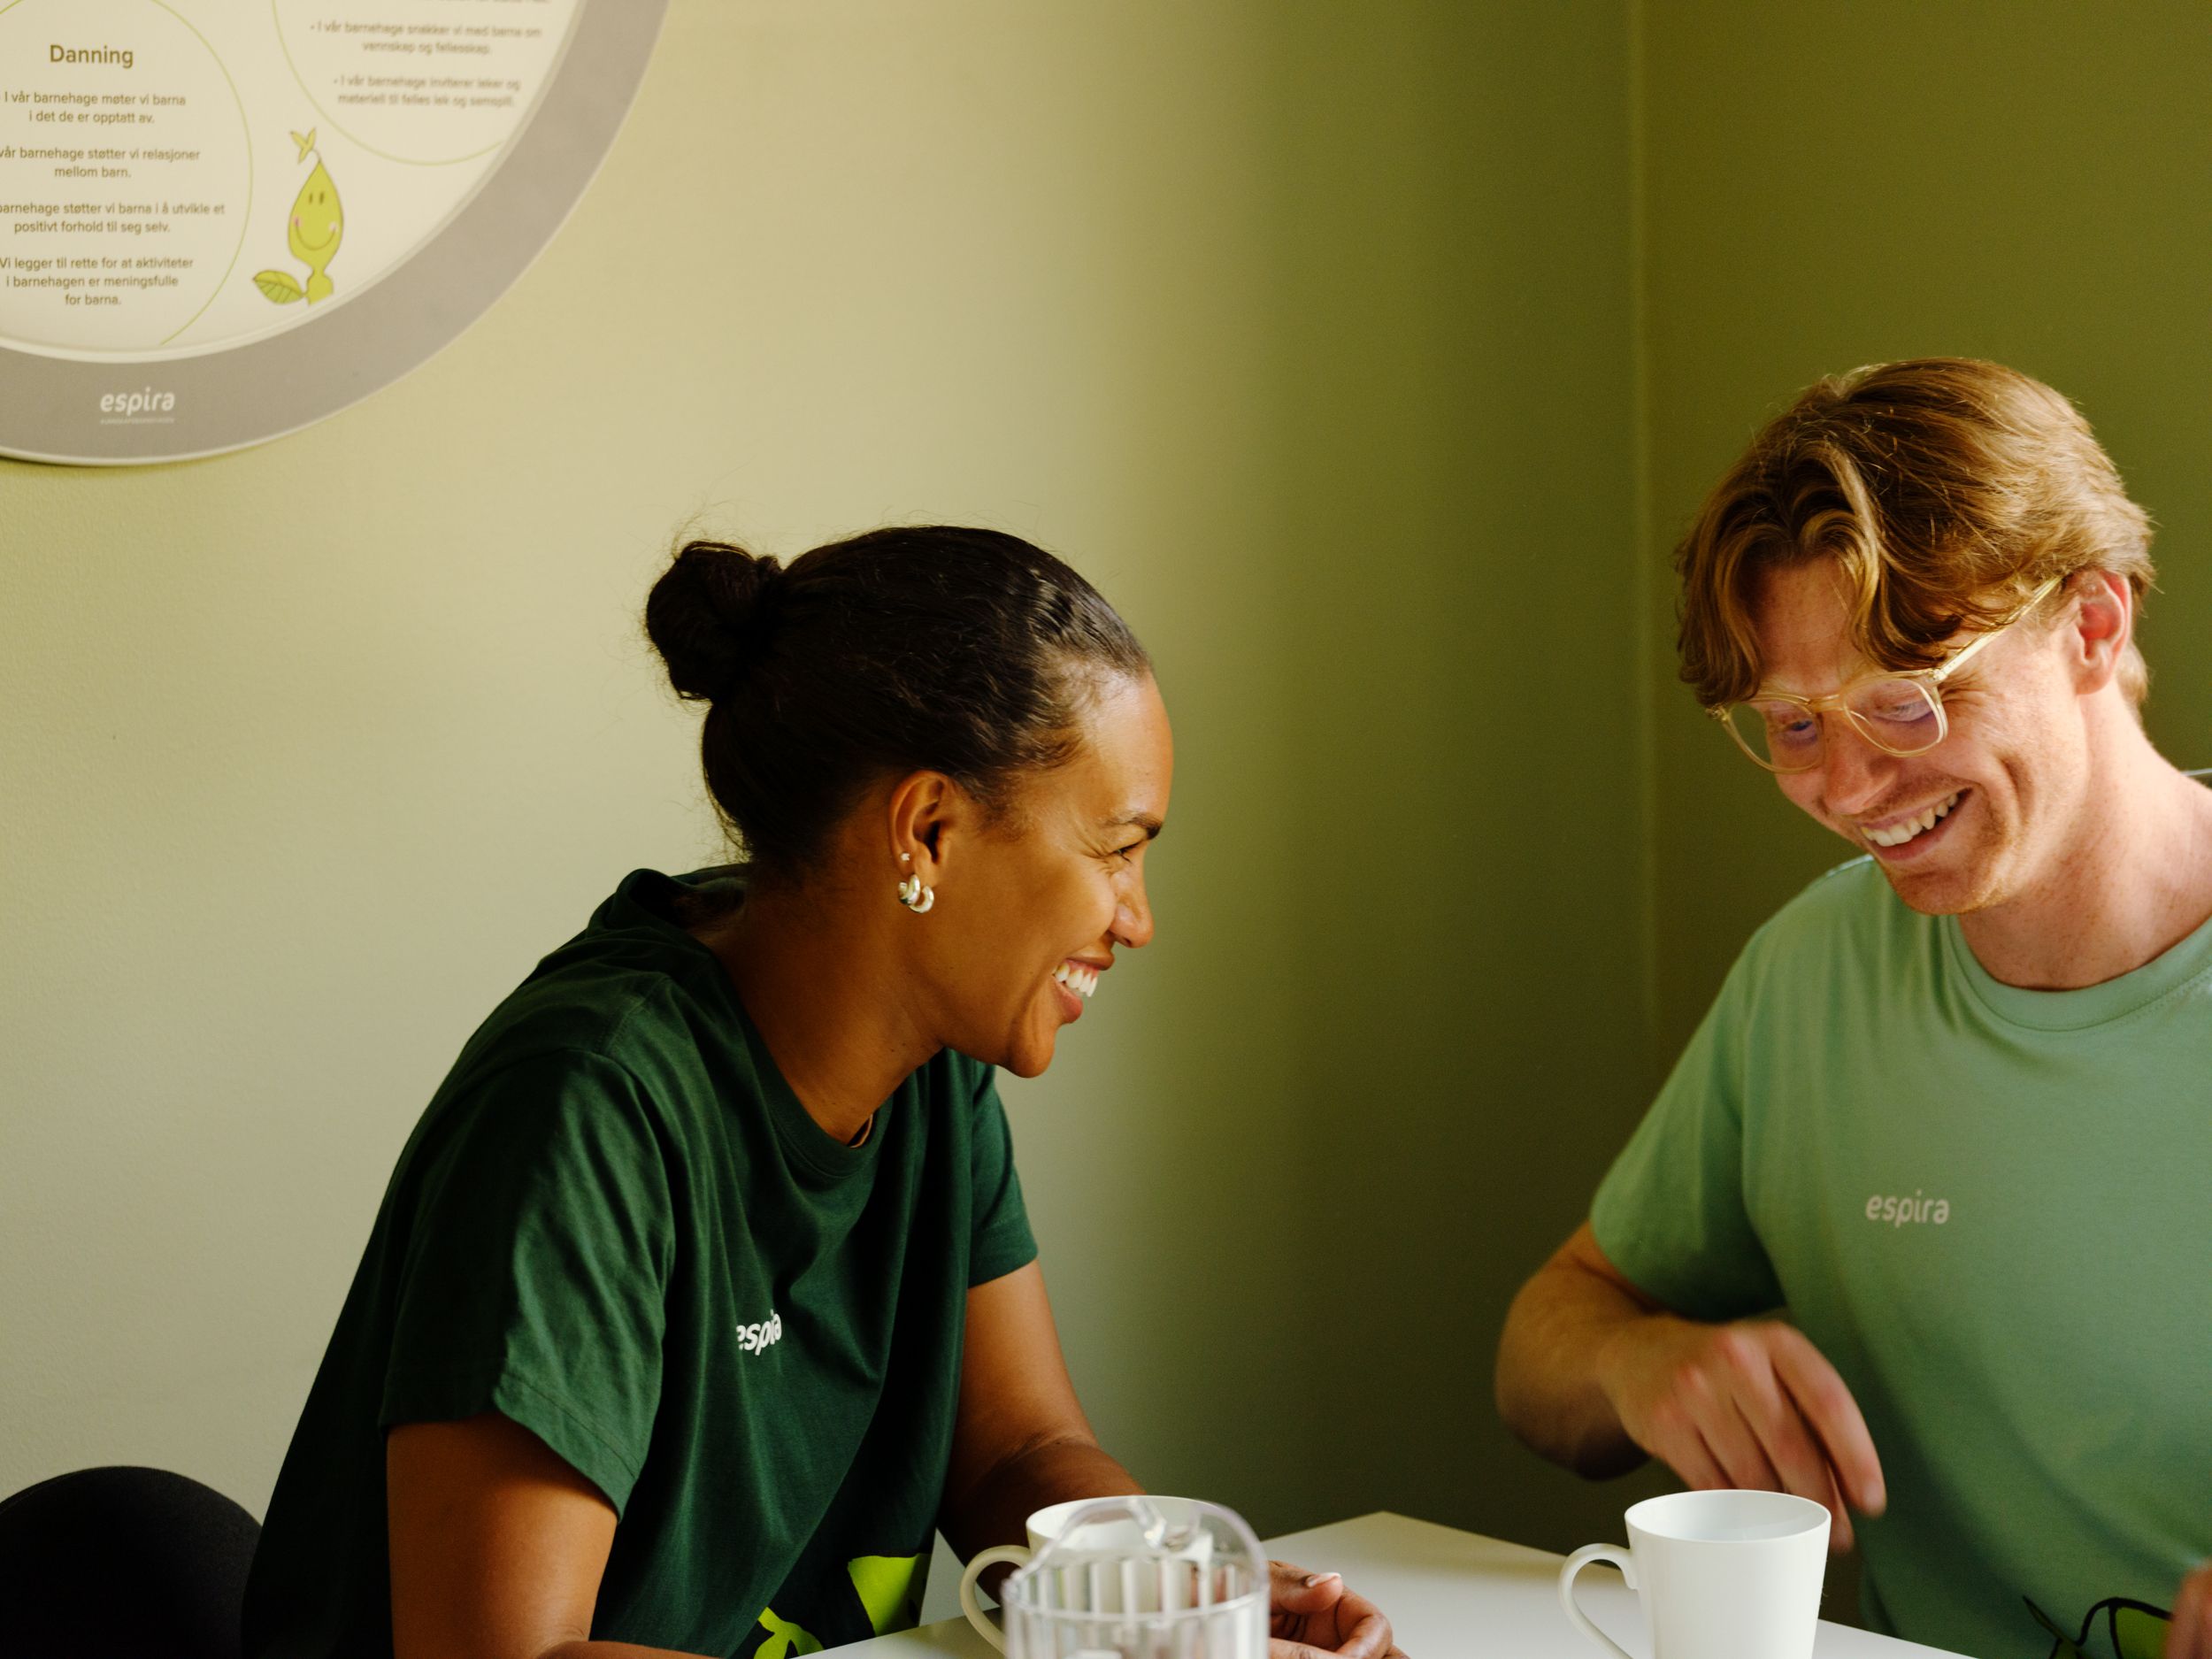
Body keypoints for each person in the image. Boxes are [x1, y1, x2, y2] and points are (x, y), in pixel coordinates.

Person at [244, 527, 1402, 1659]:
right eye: (1115, 848)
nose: (1138, 918)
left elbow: (1017, 1453)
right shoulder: (585, 1108)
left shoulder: (935, 1071)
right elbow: (501, 1654)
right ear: (931, 830)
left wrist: (1177, 1605)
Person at [1493, 361, 2212, 1659]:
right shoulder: (1813, 972)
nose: (1855, 785)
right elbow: (1541, 1349)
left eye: (1905, 695)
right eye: (1795, 725)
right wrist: (1638, 1364)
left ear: (2095, 626)